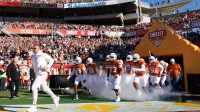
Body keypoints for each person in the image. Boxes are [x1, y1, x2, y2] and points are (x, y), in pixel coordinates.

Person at [26, 45, 60, 112]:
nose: (34, 49)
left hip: (43, 74)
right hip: (38, 74)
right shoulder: (33, 56)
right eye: (33, 48)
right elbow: (34, 66)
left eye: (35, 48)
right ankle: (55, 97)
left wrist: (47, 66)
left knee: (34, 87)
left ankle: (34, 106)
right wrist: (30, 65)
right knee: (45, 88)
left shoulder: (42, 55)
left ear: (39, 49)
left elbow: (51, 60)